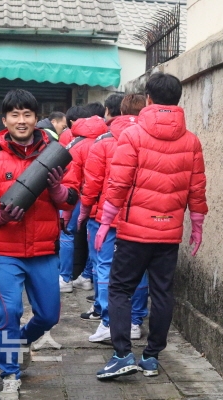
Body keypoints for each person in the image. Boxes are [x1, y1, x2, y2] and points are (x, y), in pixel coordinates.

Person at [95, 73, 208, 380]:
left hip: (134, 232)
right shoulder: (191, 141)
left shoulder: (133, 136)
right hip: (169, 233)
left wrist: (105, 223)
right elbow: (197, 189)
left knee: (120, 289)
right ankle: (151, 357)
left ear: (148, 99)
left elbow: (118, 183)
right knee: (162, 293)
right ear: (178, 99)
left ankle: (122, 354)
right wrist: (197, 225)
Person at [0, 89, 79, 400]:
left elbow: (72, 198)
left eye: (27, 114)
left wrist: (57, 189)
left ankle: (19, 342)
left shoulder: (54, 157)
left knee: (48, 316)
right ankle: (10, 374)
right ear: (4, 120)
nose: (21, 120)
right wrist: (1, 214)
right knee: (9, 312)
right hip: (7, 252)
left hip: (44, 250)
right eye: (15, 115)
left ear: (36, 119)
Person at [78, 94, 149, 342]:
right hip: (139, 217)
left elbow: (92, 183)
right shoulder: (150, 140)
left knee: (106, 267)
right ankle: (135, 321)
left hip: (105, 216)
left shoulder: (103, 142)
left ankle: (109, 321)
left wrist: (84, 211)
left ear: (114, 111)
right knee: (139, 268)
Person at [57, 106, 95, 293]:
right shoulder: (108, 139)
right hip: (100, 198)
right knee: (95, 238)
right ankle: (87, 276)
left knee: (67, 233)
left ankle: (65, 279)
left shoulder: (73, 142)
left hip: (78, 196)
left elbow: (70, 178)